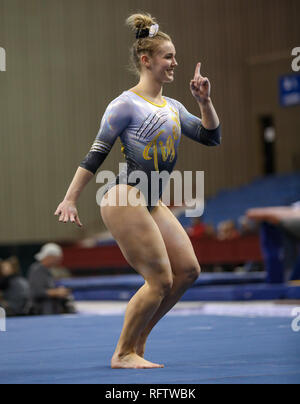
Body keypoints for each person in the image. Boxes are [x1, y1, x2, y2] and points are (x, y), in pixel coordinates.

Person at [55, 13, 221, 369]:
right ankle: (123, 353)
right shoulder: (124, 105)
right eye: (168, 56)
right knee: (159, 279)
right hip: (125, 196)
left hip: (150, 199)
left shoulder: (175, 107)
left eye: (175, 56)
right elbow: (95, 156)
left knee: (188, 271)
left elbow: (211, 137)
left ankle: (140, 339)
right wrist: (70, 198)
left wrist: (204, 101)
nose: (175, 62)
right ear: (146, 60)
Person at [28, 243, 76, 315]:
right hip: (41, 312)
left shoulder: (46, 271)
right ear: (50, 257)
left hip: (49, 311)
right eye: (57, 258)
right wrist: (57, 292)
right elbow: (37, 292)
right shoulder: (38, 270)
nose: (58, 261)